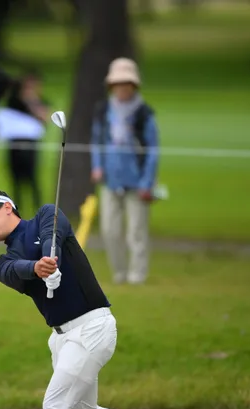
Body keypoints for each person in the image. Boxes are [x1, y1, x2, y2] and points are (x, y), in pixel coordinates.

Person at [0, 188, 162, 409]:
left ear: (7, 207)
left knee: (55, 406)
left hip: (91, 328)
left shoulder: (46, 214)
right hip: (61, 339)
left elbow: (51, 234)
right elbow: (15, 270)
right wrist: (37, 268)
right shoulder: (2, 264)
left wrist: (49, 261)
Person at [90, 58, 160, 285]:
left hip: (137, 181)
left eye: (126, 83)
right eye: (118, 84)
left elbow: (152, 150)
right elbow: (97, 141)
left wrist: (147, 182)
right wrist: (97, 166)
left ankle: (137, 274)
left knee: (136, 230)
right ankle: (119, 272)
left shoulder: (144, 113)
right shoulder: (103, 110)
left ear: (133, 85)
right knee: (110, 229)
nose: (122, 88)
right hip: (110, 179)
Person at [5, 71, 49, 213]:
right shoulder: (13, 102)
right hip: (15, 144)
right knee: (15, 179)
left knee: (33, 178)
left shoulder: (39, 101)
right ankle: (17, 209)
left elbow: (44, 118)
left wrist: (31, 101)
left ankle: (38, 208)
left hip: (31, 145)